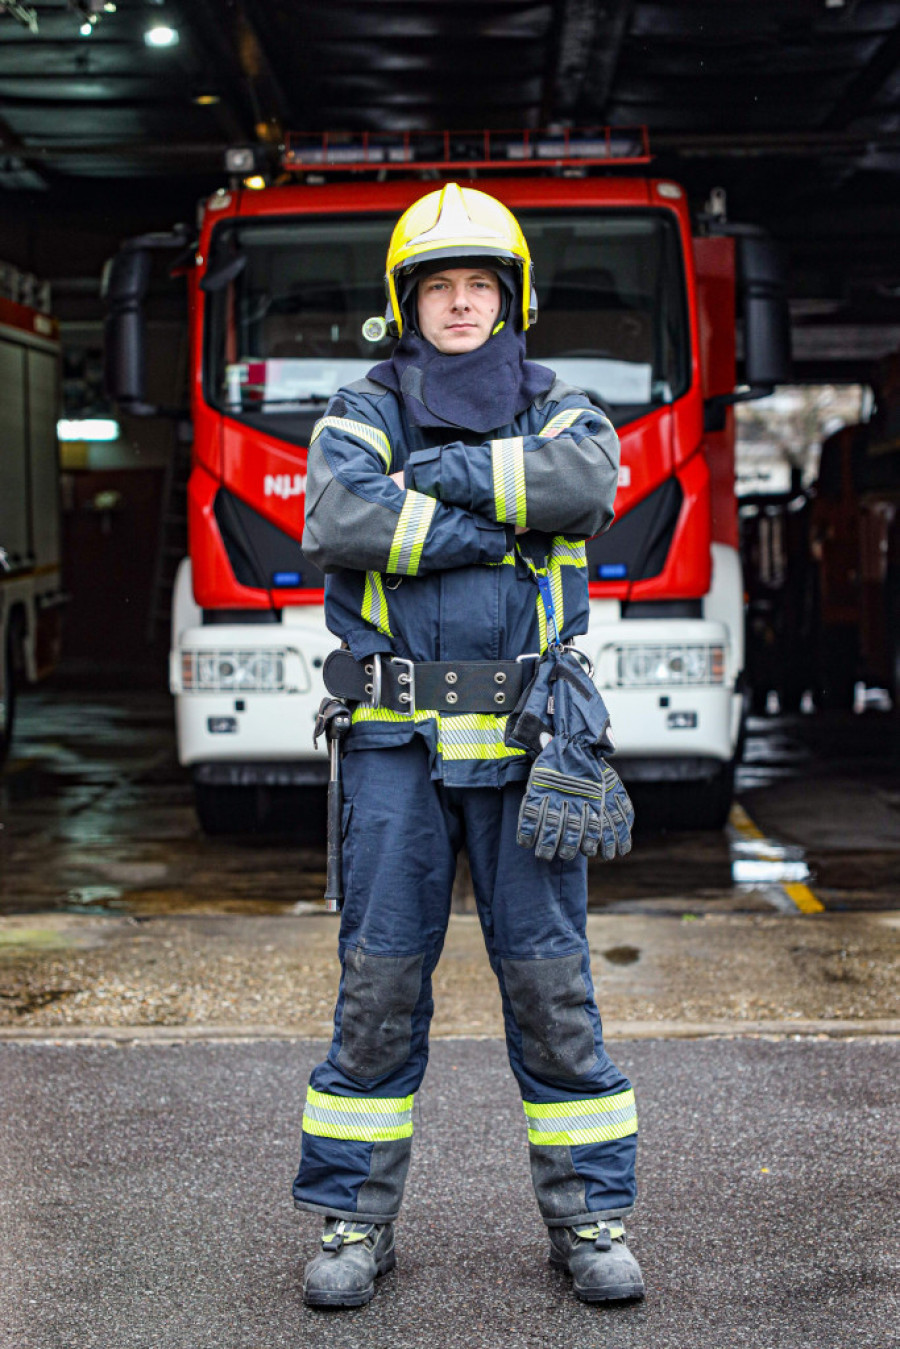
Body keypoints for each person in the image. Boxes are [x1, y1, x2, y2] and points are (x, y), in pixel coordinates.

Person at [293, 183, 643, 1309]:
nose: (457, 303)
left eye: (476, 285)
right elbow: (344, 521)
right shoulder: (359, 406)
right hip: (393, 747)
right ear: (408, 300)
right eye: (437, 285)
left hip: (533, 749)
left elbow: (584, 485)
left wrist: (434, 484)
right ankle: (354, 1218)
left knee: (554, 994)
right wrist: (507, 522)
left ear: (510, 296)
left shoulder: (563, 406)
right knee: (378, 990)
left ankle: (588, 1217)